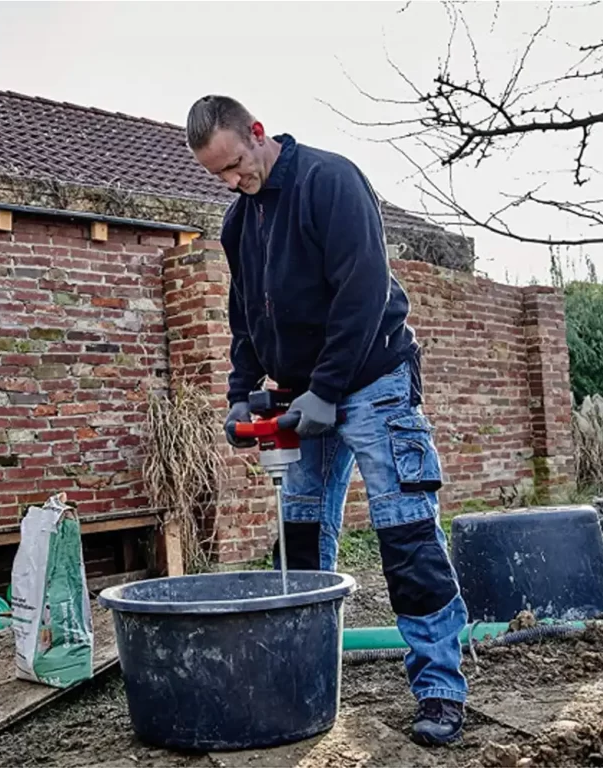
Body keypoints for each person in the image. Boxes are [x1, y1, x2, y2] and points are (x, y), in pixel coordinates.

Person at [185, 95, 469, 747]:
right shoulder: (239, 221)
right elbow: (244, 314)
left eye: (234, 164)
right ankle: (301, 677)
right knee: (300, 543)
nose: (231, 181)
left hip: (372, 380)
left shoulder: (329, 180)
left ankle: (440, 689)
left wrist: (329, 389)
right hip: (298, 397)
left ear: (257, 133)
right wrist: (240, 392)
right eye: (217, 175)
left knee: (405, 532)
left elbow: (362, 292)